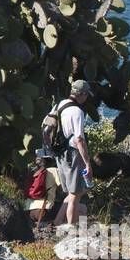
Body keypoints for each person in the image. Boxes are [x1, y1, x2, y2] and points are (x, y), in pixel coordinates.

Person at [49, 79, 94, 227]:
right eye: (86, 95)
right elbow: (79, 139)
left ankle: (57, 222)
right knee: (75, 195)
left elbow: (46, 125)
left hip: (60, 154)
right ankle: (72, 230)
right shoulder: (77, 112)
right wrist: (87, 162)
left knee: (71, 192)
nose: (86, 98)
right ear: (81, 94)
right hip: (73, 155)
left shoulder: (60, 105)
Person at [24, 153, 60, 226]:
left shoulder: (32, 171)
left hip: (28, 212)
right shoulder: (54, 170)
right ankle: (81, 229)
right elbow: (65, 189)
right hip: (44, 212)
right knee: (71, 204)